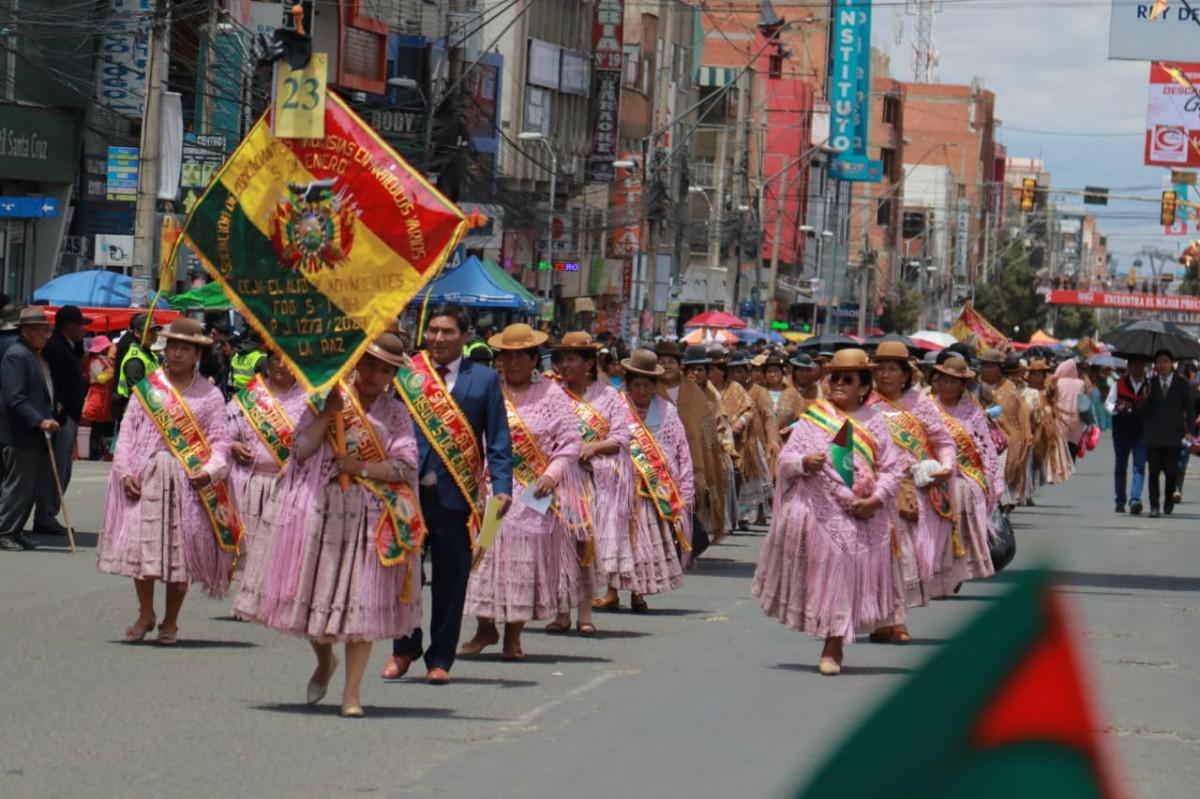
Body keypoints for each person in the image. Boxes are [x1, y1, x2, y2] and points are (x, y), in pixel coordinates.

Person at [240, 333, 424, 717]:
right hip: (320, 510)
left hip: (371, 516)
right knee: (314, 598)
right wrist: (327, 416)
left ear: (393, 374)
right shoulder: (327, 397)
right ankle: (325, 659)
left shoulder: (396, 413)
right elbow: (300, 450)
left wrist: (363, 468)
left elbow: (406, 465)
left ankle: (351, 693)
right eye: (369, 364)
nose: (375, 374)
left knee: (362, 604)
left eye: (385, 369)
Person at [752, 348, 902, 675]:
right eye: (834, 378)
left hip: (859, 514)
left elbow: (892, 470)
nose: (838, 384)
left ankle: (833, 645)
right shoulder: (814, 417)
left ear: (863, 387)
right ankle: (828, 636)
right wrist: (804, 463)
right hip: (817, 512)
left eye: (847, 379)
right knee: (826, 574)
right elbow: (785, 462)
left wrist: (875, 499)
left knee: (843, 573)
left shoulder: (875, 422)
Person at [385, 304, 513, 685]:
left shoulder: (485, 379)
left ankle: (440, 657)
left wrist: (502, 488)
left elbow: (499, 440)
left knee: (450, 579)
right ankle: (404, 646)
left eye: (447, 332)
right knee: (403, 574)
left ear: (464, 335)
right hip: (406, 493)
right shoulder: (408, 373)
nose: (438, 339)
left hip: (456, 495)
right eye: (434, 331)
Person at [96, 319, 239, 643]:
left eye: (185, 348)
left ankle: (171, 620)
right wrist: (126, 471)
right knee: (141, 547)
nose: (176, 353)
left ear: (197, 354)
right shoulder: (148, 388)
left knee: (181, 554)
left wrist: (210, 470)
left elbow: (220, 442)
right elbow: (129, 432)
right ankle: (146, 612)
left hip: (188, 482)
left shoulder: (210, 396)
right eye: (172, 346)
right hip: (147, 477)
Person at [461, 323, 588, 660]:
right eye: (508, 356)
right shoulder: (489, 389)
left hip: (535, 490)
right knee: (484, 554)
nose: (513, 363)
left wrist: (551, 475)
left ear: (535, 359)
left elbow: (570, 442)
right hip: (494, 487)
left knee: (523, 561)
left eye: (521, 356)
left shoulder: (551, 394)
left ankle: (513, 635)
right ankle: (485, 627)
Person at [866, 341, 955, 643]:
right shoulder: (864, 403)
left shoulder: (920, 404)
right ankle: (881, 619)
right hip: (871, 488)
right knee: (874, 555)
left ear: (905, 374)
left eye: (892, 369)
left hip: (906, 489)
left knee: (901, 553)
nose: (885, 374)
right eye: (880, 368)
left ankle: (898, 620)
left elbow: (943, 440)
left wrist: (945, 466)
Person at [598, 349, 692, 612]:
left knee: (642, 544)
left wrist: (684, 488)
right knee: (617, 541)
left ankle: (639, 592)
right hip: (620, 487)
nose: (641, 390)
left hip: (653, 490)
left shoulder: (667, 412)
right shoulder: (616, 406)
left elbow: (680, 449)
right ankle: (612, 590)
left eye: (646, 385)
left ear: (654, 386)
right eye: (636, 384)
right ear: (628, 383)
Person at [553, 332, 631, 628]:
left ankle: (584, 615)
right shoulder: (552, 393)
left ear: (588, 363)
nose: (564, 365)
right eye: (561, 359)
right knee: (559, 548)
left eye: (571, 359)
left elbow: (622, 437)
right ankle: (561, 613)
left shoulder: (609, 396)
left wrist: (592, 448)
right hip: (559, 481)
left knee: (585, 548)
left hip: (593, 483)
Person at [225, 349, 309, 586]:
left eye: (287, 360)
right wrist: (233, 445)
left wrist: (295, 460)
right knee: (251, 541)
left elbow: (318, 441)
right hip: (252, 482)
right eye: (275, 360)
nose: (281, 365)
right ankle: (248, 593)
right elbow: (221, 433)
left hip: (289, 484)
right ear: (267, 363)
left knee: (281, 542)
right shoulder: (248, 398)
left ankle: (276, 593)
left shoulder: (309, 401)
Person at [928, 356, 1001, 595]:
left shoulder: (972, 412)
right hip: (930, 476)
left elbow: (985, 448)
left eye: (954, 381)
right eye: (944, 380)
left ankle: (954, 574)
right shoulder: (925, 406)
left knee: (958, 514)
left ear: (963, 385)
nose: (948, 385)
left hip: (964, 478)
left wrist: (990, 482)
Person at [655, 340, 726, 553]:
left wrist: (712, 449)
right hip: (658, 457)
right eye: (662, 361)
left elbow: (705, 423)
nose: (667, 365)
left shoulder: (693, 391)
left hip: (692, 458)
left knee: (688, 503)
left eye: (671, 361)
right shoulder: (649, 388)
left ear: (679, 365)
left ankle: (685, 544)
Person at [0, 308, 60, 552]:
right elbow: (15, 397)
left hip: (32, 435)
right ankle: (5, 530)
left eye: (47, 330)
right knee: (17, 485)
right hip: (19, 434)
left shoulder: (32, 354)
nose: (46, 335)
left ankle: (15, 530)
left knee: (29, 486)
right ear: (26, 332)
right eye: (41, 331)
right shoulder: (17, 355)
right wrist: (39, 420)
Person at [39, 305, 92, 536]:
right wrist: (58, 410)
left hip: (71, 412)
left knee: (64, 467)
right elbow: (57, 383)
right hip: (62, 414)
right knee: (57, 467)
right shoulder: (55, 348)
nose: (84, 330)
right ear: (68, 327)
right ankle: (46, 515)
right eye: (80, 325)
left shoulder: (69, 347)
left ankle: (48, 513)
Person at [729, 350, 781, 526]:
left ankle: (746, 516)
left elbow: (769, 415)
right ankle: (731, 515)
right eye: (733, 371)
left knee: (752, 482)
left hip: (752, 443)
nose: (737, 375)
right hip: (729, 443)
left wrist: (772, 440)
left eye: (740, 371)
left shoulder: (758, 392)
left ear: (747, 372)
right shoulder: (727, 391)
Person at [978, 350, 1033, 508]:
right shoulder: (974, 385)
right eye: (985, 366)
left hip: (1004, 438)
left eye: (992, 366)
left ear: (999, 368)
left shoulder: (1008, 388)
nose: (987, 370)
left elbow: (1007, 411)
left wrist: (988, 412)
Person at [1143, 349, 1194, 517]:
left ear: (1171, 364)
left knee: (1171, 471)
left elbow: (1190, 408)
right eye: (1159, 362)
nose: (1162, 365)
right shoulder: (1149, 383)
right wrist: (1145, 397)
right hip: (1154, 435)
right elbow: (1143, 409)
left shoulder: (1182, 384)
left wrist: (1190, 432)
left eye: (1165, 361)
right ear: (1155, 365)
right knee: (1153, 471)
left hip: (1174, 435)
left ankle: (1168, 500)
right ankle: (1154, 505)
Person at [1105, 355, 1149, 514]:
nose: (1138, 369)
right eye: (1135, 366)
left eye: (1141, 366)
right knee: (1120, 467)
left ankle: (1135, 499)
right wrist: (1117, 409)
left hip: (1141, 432)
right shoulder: (1119, 384)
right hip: (1121, 432)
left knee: (1139, 466)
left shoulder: (1150, 385)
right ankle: (1120, 500)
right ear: (1129, 367)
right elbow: (1108, 403)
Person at [113, 314, 161, 424]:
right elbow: (138, 394)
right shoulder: (136, 360)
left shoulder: (150, 355)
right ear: (137, 333)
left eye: (155, 330)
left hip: (150, 413)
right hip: (137, 416)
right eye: (149, 331)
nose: (154, 334)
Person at [82, 335, 117, 459]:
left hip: (104, 397)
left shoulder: (103, 360)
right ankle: (93, 454)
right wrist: (112, 370)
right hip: (97, 396)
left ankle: (100, 452)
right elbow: (100, 378)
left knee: (101, 427)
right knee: (96, 427)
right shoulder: (95, 360)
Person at [1052, 359, 1089, 462]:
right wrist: (1089, 424)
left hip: (1058, 425)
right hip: (1075, 426)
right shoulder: (1081, 384)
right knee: (1071, 458)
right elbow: (1084, 407)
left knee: (1056, 458)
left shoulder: (1056, 384)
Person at [765, 351, 806, 439]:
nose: (772, 374)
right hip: (762, 440)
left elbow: (803, 418)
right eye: (769, 371)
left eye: (775, 371)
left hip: (785, 439)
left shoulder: (793, 394)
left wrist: (792, 427)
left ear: (782, 373)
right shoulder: (760, 392)